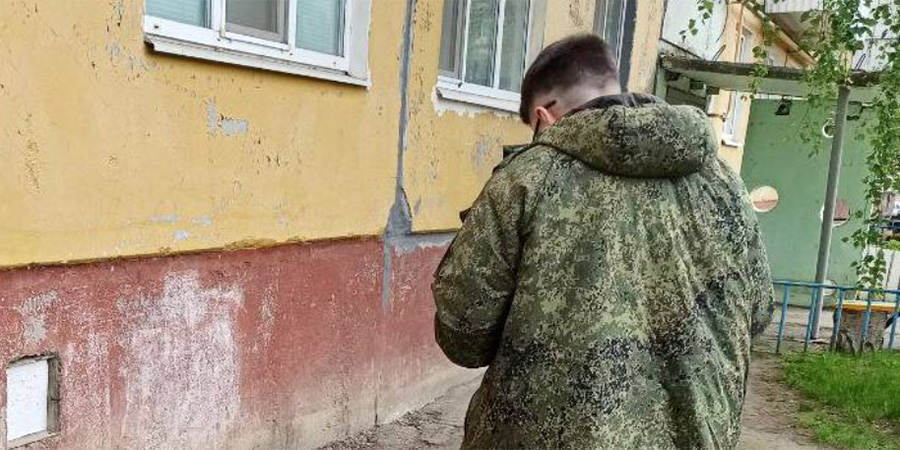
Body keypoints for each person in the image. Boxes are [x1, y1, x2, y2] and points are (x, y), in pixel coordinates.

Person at [432, 34, 774, 450]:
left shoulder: (525, 181)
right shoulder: (725, 184)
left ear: (544, 115)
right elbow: (758, 313)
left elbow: (464, 334)